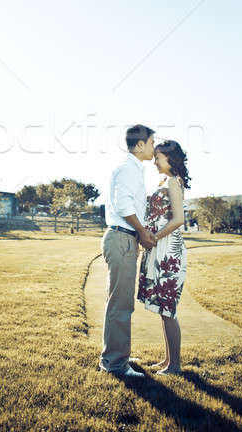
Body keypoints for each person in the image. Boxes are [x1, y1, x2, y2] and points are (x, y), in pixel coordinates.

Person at [99, 124, 157, 379]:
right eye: (152, 143)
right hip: (123, 238)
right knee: (120, 304)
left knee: (122, 302)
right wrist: (142, 233)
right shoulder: (128, 169)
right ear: (140, 144)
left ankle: (118, 353)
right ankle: (114, 363)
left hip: (125, 239)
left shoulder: (133, 169)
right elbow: (123, 205)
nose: (154, 148)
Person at [137, 140, 191, 375]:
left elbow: (178, 220)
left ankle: (175, 365)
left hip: (169, 251)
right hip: (160, 248)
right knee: (163, 309)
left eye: (158, 157)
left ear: (171, 159)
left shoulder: (172, 182)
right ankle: (168, 361)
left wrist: (154, 237)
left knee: (168, 309)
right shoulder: (165, 181)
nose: (155, 162)